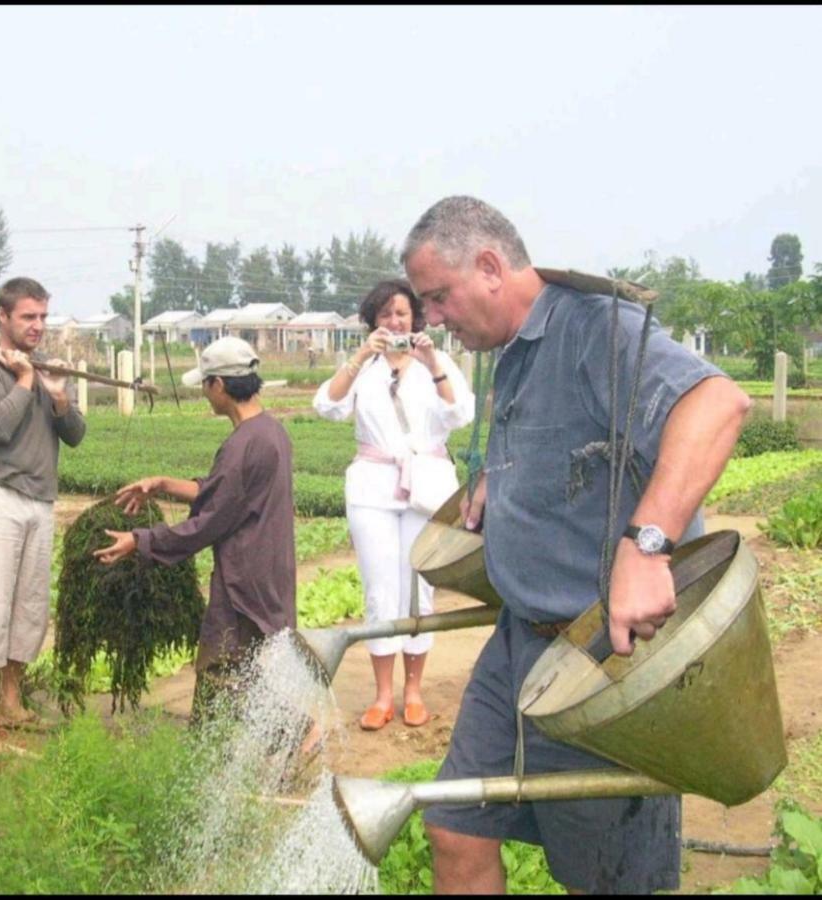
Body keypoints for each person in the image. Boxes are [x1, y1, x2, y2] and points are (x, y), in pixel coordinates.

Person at [401, 196, 751, 894]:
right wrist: (500, 482)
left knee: (607, 879)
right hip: (518, 647)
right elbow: (568, 447)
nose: (433, 318)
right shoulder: (512, 352)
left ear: (492, 267)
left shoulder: (598, 328)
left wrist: (646, 547)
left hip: (604, 665)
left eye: (439, 297)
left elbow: (717, 405)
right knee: (454, 825)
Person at [92, 336, 297, 728]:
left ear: (218, 385)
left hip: (244, 582)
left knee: (221, 667)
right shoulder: (271, 432)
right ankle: (279, 737)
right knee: (260, 666)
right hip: (267, 572)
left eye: (205, 385)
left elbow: (210, 522)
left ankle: (230, 750)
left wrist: (140, 540)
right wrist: (165, 483)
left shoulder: (244, 445)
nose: (204, 395)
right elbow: (225, 495)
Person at [313, 279, 473, 732]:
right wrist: (362, 356)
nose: (394, 322)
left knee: (418, 586)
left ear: (416, 318)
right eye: (385, 315)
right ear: (372, 321)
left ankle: (414, 691)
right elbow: (327, 405)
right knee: (381, 589)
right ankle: (383, 694)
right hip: (372, 488)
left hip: (426, 485)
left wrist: (432, 362)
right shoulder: (364, 368)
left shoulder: (435, 363)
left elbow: (460, 414)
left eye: (402, 314)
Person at [0, 276, 86, 755]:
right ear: (3, 317)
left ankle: (10, 700)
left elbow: (75, 434)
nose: (38, 326)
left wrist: (58, 396)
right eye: (28, 317)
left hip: (39, 499)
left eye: (43, 317)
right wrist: (26, 380)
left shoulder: (45, 368)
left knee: (28, 610)